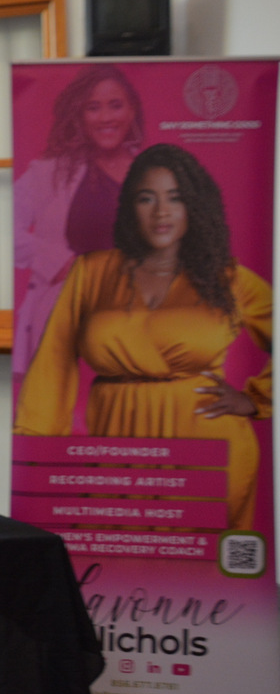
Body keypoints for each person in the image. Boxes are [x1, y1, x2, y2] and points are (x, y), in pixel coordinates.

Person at [14, 143, 272, 531]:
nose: (161, 212)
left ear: (195, 206)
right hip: (115, 449)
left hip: (207, 453)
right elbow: (52, 364)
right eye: (146, 198)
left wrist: (256, 399)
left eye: (175, 198)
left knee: (199, 558)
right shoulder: (91, 272)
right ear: (130, 207)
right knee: (111, 554)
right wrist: (34, 454)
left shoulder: (230, 279)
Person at [13, 66, 147, 374]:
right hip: (65, 322)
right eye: (93, 107)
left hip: (138, 325)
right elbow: (3, 225)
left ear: (132, 110)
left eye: (116, 105)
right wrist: (55, 261)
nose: (106, 117)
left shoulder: (155, 172)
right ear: (80, 115)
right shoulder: (50, 173)